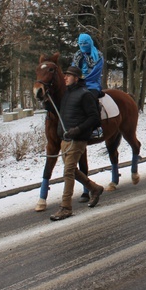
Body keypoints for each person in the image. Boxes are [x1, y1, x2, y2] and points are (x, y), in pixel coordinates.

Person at [50, 66, 104, 221]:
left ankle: (66, 207)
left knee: (68, 172)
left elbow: (94, 118)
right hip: (65, 140)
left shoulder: (85, 95)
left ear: (76, 77)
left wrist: (78, 129)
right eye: (65, 75)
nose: (65, 78)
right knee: (72, 170)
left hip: (77, 140)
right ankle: (95, 189)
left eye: (68, 75)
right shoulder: (67, 94)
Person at [72, 33, 104, 99]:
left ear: (90, 42)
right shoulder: (77, 55)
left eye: (85, 43)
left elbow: (95, 74)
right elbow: (73, 70)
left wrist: (81, 81)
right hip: (76, 84)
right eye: (81, 44)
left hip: (92, 85)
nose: (83, 45)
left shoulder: (98, 56)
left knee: (90, 99)